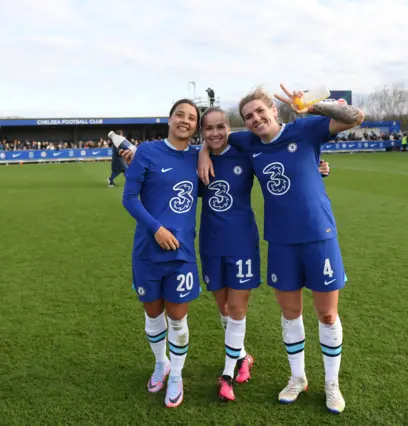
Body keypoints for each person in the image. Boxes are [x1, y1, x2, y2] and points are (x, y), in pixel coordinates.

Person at [198, 84, 364, 414]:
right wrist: (203, 150)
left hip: (319, 234)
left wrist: (313, 106)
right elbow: (216, 137)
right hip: (280, 241)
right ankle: (298, 377)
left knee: (327, 314)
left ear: (275, 110)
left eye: (261, 111)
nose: (256, 118)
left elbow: (355, 116)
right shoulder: (247, 141)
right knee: (290, 314)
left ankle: (332, 383)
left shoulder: (306, 128)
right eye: (248, 116)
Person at [122, 99, 201, 408]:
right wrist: (156, 228)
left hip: (181, 254)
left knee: (178, 320)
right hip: (146, 251)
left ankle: (177, 375)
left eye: (191, 117)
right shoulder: (147, 152)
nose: (185, 120)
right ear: (169, 120)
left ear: (195, 126)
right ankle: (161, 363)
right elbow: (130, 199)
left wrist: (316, 168)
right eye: (179, 115)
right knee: (153, 315)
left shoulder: (199, 157)